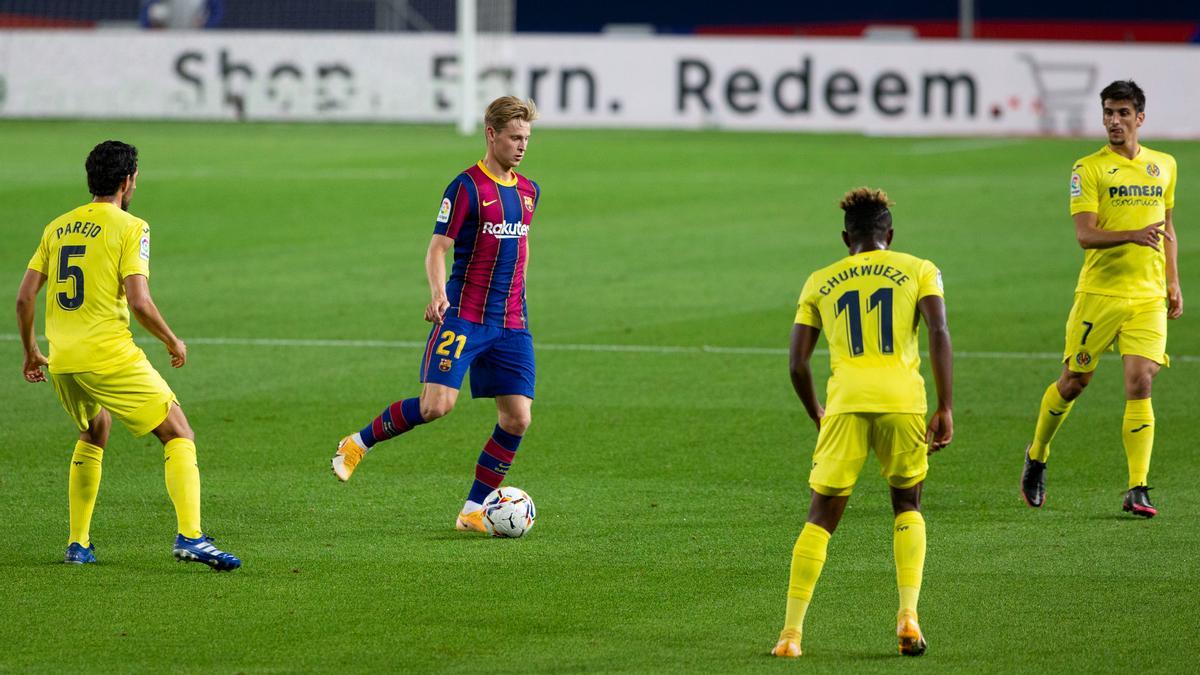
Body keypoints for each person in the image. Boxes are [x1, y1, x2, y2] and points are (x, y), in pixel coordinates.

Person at [16, 140, 240, 570]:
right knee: (178, 432)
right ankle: (190, 536)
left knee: (95, 429)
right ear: (127, 180)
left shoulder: (57, 227)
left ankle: (78, 544)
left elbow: (25, 297)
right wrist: (172, 341)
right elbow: (139, 301)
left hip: (63, 361)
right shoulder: (132, 227)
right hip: (108, 355)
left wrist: (31, 352)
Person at [332, 97, 541, 533]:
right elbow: (436, 249)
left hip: (511, 323)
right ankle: (357, 443)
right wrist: (438, 294)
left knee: (518, 417)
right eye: (514, 137)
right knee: (436, 406)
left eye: (526, 137)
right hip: (463, 315)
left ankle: (472, 511)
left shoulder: (528, 191)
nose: (522, 145)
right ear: (492, 134)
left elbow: (520, 248)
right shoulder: (465, 187)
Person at [771, 188, 953, 658]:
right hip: (902, 401)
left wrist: (816, 411)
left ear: (844, 238)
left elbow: (796, 363)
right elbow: (937, 331)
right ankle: (908, 614)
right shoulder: (919, 269)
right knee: (907, 503)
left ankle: (791, 634)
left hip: (846, 402)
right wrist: (946, 405)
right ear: (888, 234)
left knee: (820, 517)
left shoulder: (821, 280)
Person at [1020, 80, 1181, 518]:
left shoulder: (1164, 166)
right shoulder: (1087, 169)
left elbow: (1167, 229)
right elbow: (1085, 235)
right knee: (1074, 383)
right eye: (1108, 112)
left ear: (1139, 118)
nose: (1114, 120)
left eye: (1123, 112)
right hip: (1099, 294)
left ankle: (1138, 487)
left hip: (1146, 296)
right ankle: (1037, 455)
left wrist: (1173, 282)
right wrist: (1132, 233)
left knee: (1141, 380)